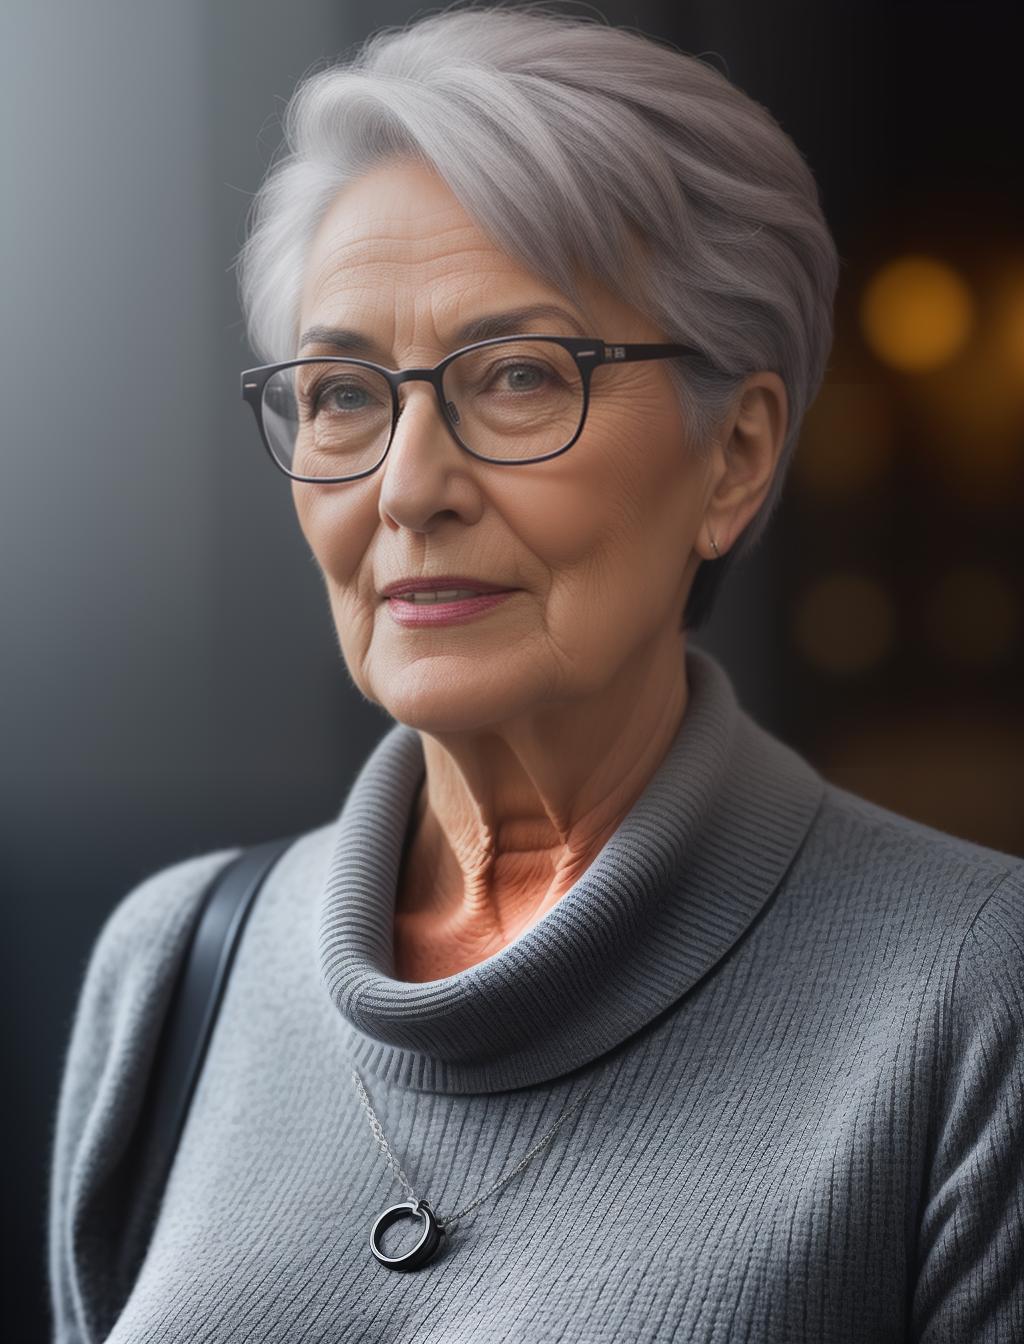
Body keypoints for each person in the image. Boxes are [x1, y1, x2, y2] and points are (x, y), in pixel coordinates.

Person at [48, 6, 1024, 1341]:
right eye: (342, 393)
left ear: (734, 455)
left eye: (515, 376)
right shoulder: (173, 969)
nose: (407, 488)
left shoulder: (976, 1001)